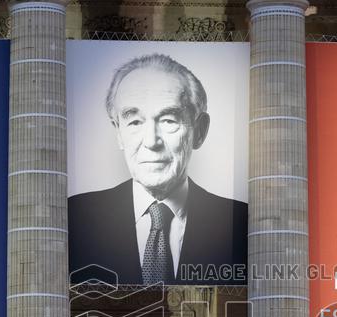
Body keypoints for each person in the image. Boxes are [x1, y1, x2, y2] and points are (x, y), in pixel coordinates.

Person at [69, 53, 247, 286]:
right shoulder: (72, 219)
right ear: (118, 132)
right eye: (134, 122)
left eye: (169, 120)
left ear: (200, 131)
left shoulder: (243, 225)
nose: (152, 141)